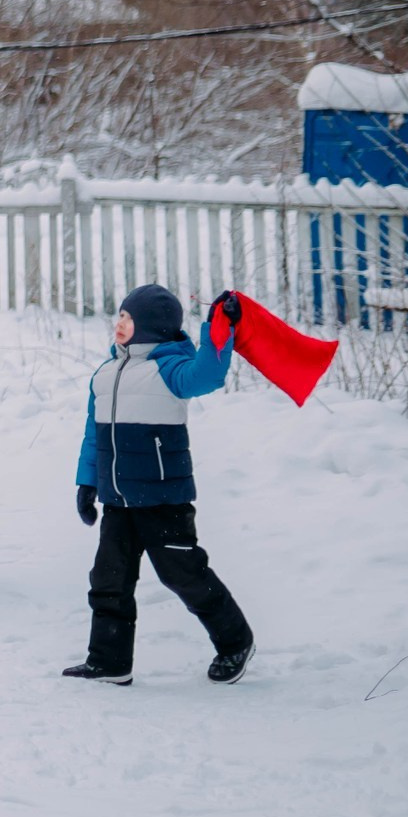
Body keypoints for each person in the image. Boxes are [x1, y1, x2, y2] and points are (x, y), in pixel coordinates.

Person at [63, 284, 257, 686]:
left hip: (163, 498)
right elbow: (93, 435)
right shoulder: (106, 373)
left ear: (151, 326)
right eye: (119, 315)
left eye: (128, 318)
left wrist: (219, 329)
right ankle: (110, 661)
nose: (119, 324)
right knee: (108, 579)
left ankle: (235, 640)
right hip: (118, 499)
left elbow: (206, 375)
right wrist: (87, 482)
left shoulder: (171, 369)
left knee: (183, 574)